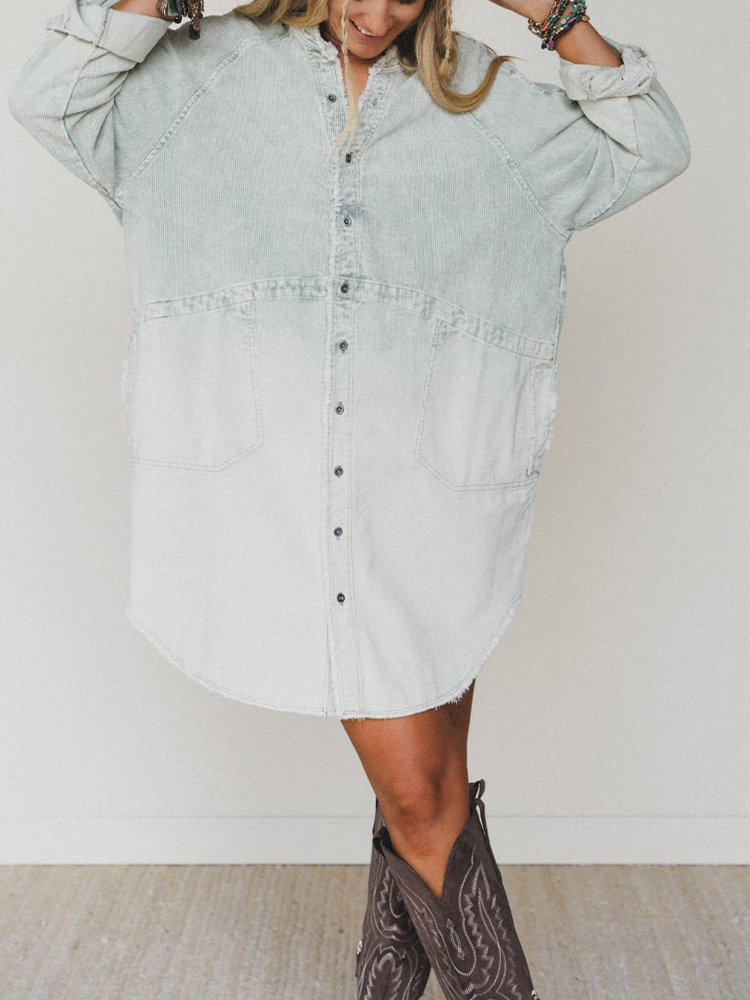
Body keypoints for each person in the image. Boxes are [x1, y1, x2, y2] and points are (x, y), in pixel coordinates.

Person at [7, 0, 690, 996]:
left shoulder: (480, 100)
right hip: (291, 515)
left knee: (427, 793)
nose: (375, 13)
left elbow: (652, 142)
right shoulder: (200, 77)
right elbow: (52, 98)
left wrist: (554, 13)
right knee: (422, 797)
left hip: (429, 514)